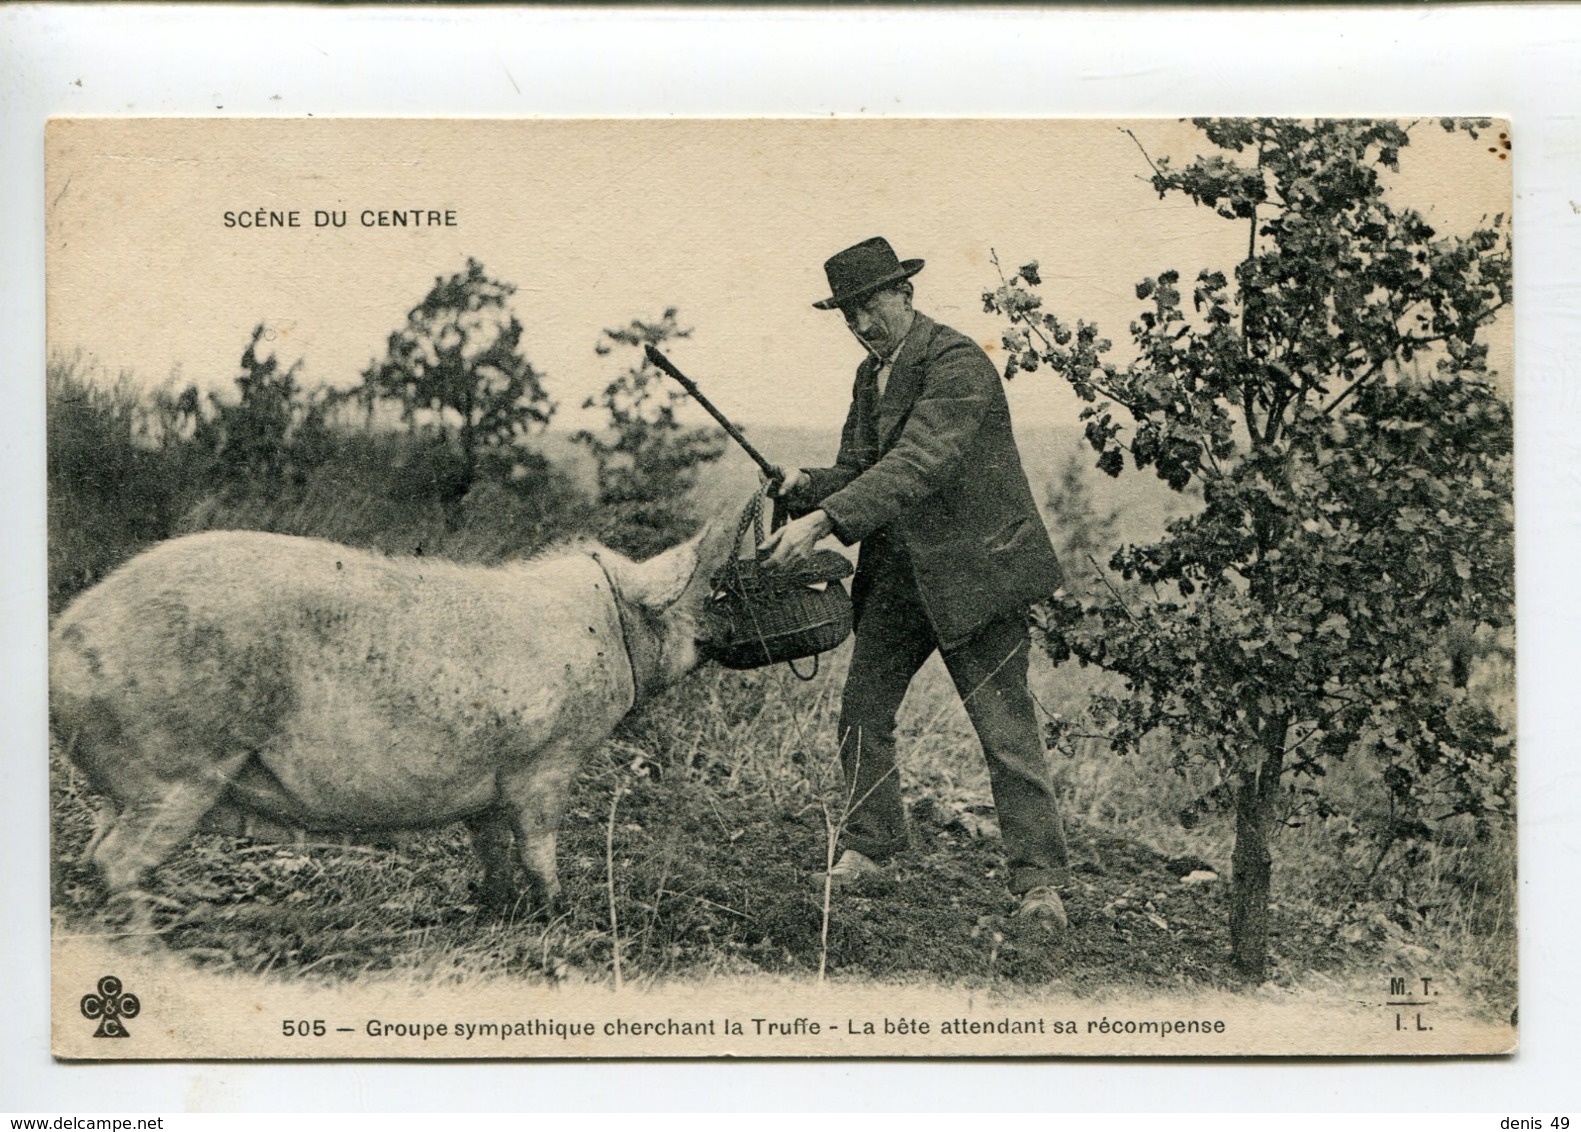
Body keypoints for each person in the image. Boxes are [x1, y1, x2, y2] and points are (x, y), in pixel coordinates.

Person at [760, 236, 1071, 927]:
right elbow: (862, 468)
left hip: (976, 578)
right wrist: (809, 485)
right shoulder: (870, 376)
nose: (862, 326)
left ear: (904, 293)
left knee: (1005, 735)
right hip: (900, 580)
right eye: (848, 317)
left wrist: (821, 523)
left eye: (870, 307)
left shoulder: (957, 363)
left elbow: (919, 463)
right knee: (861, 714)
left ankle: (1039, 885)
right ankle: (870, 849)